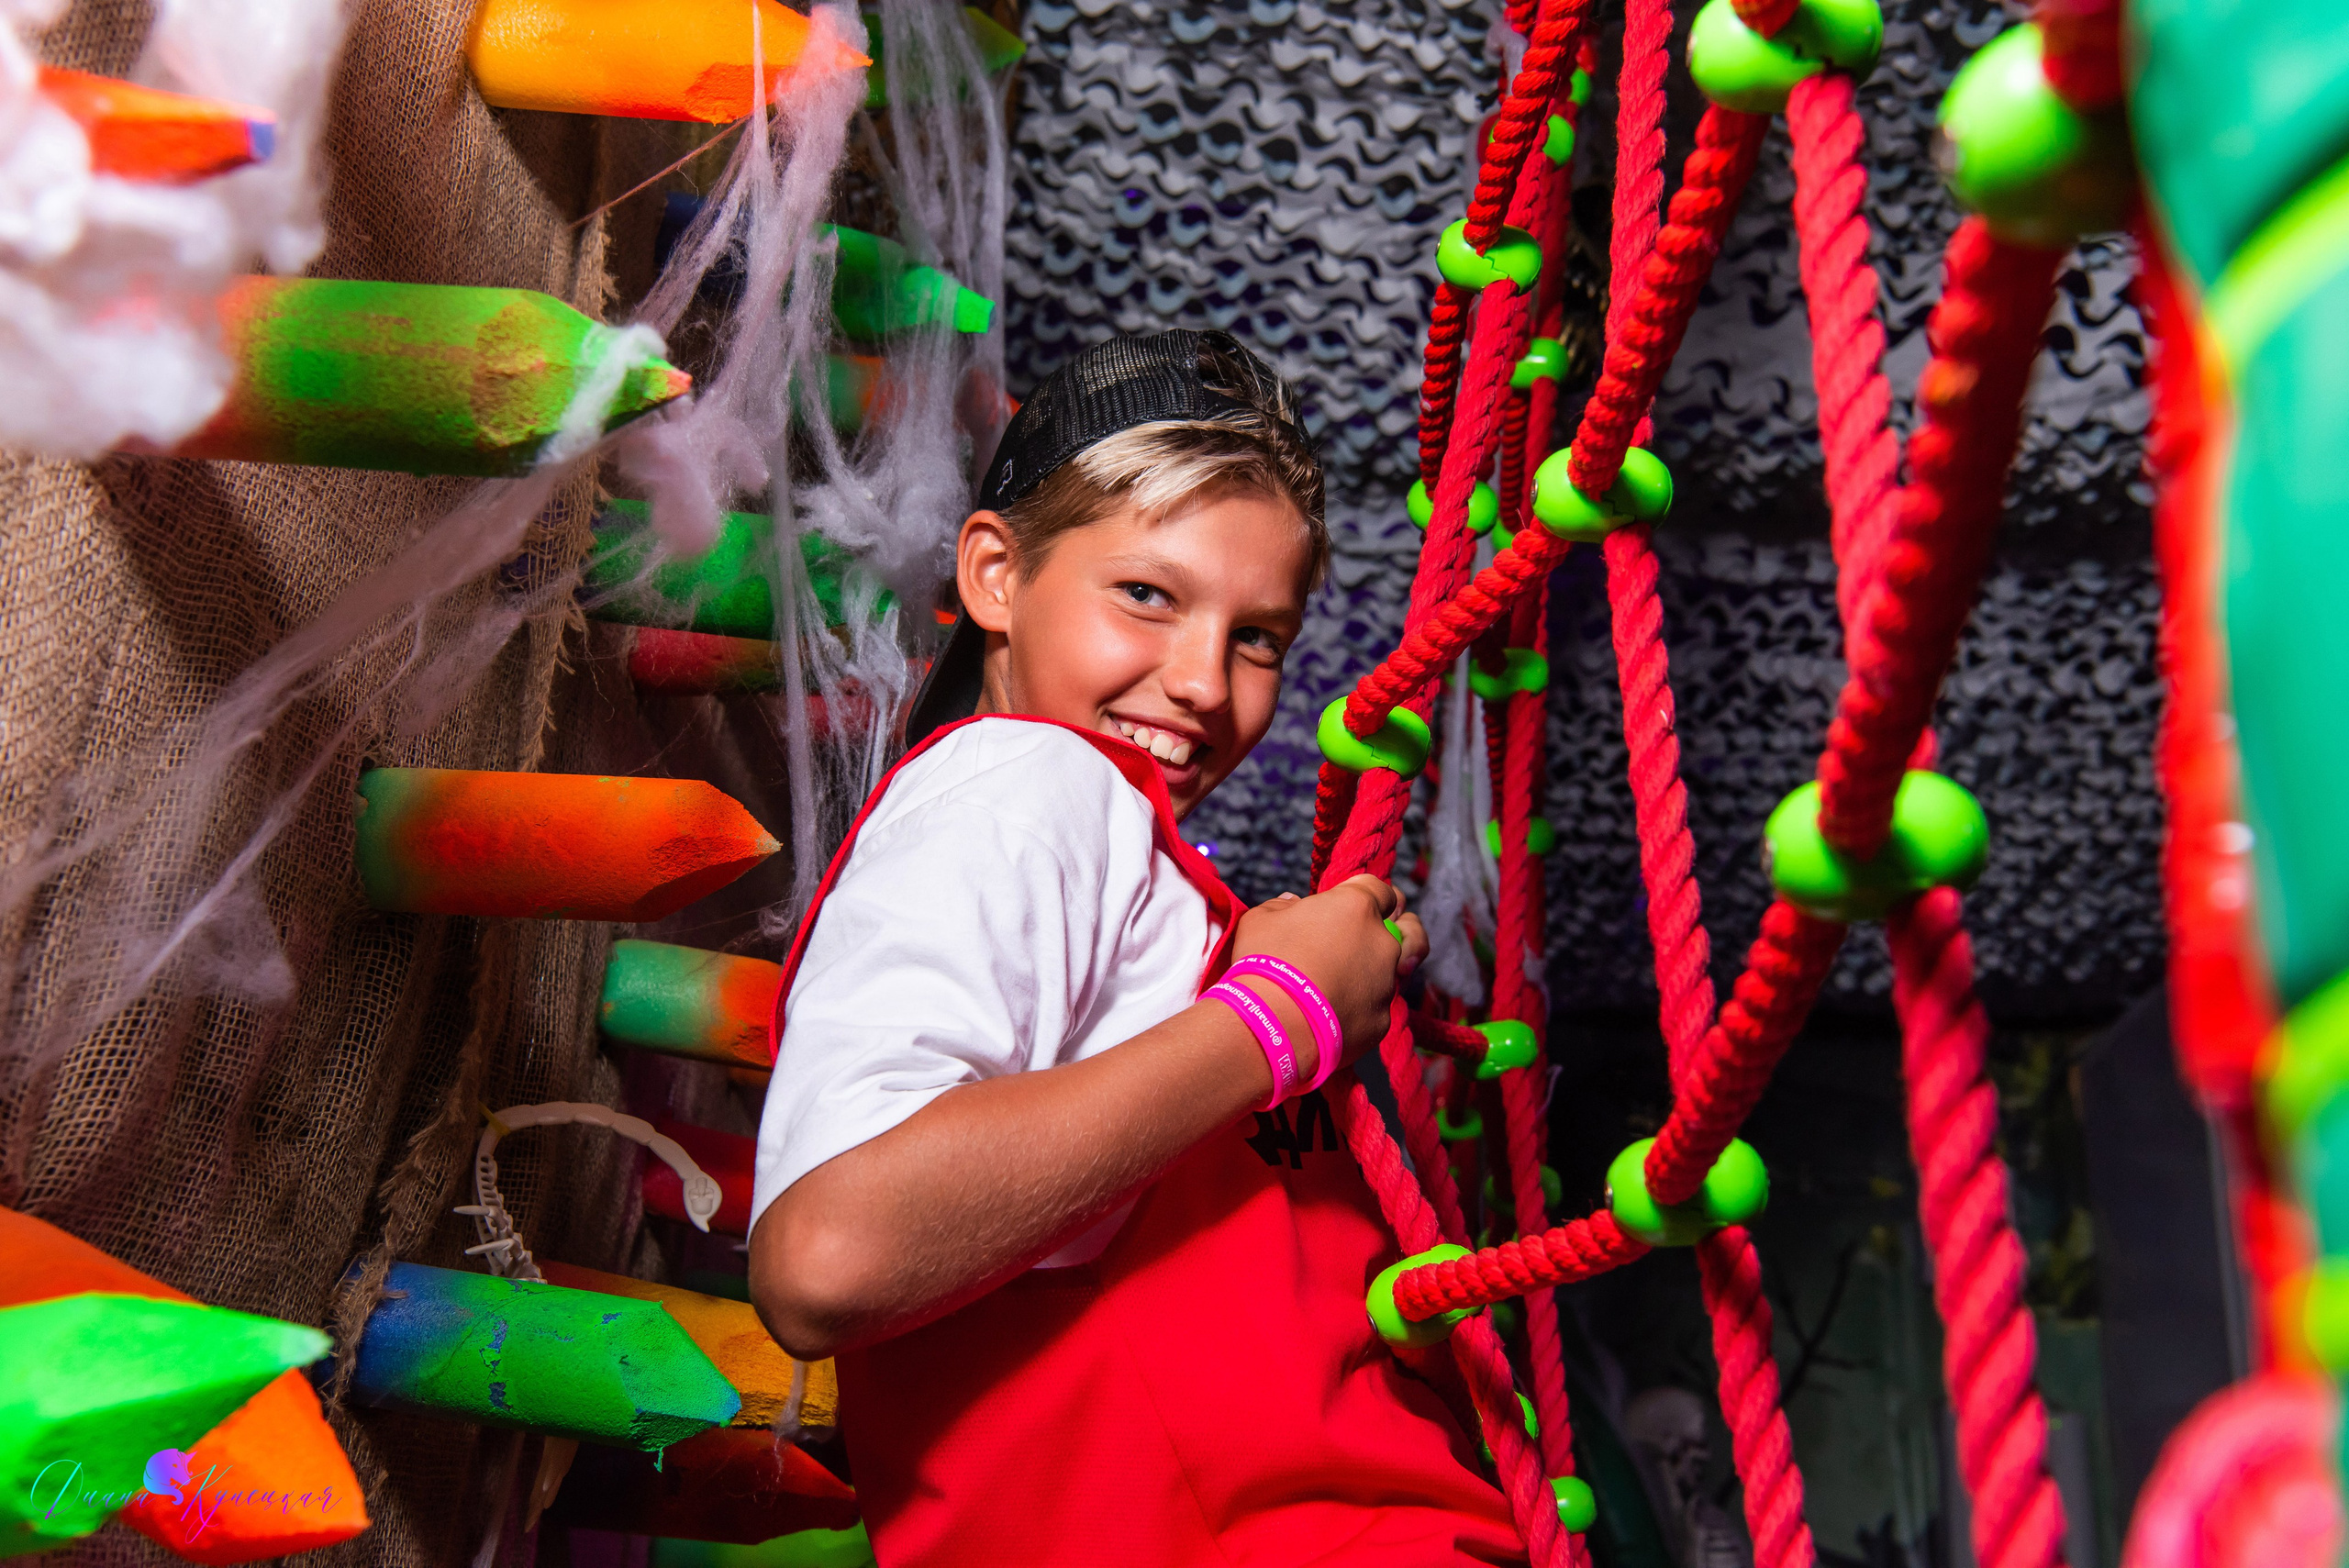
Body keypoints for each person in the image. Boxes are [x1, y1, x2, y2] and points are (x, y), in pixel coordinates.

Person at [748, 329, 1525, 1566]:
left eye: (1259, 635)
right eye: (1148, 596)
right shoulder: (1034, 781)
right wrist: (1281, 1017)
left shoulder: (1127, 864)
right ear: (998, 578)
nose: (1206, 683)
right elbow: (825, 1254)